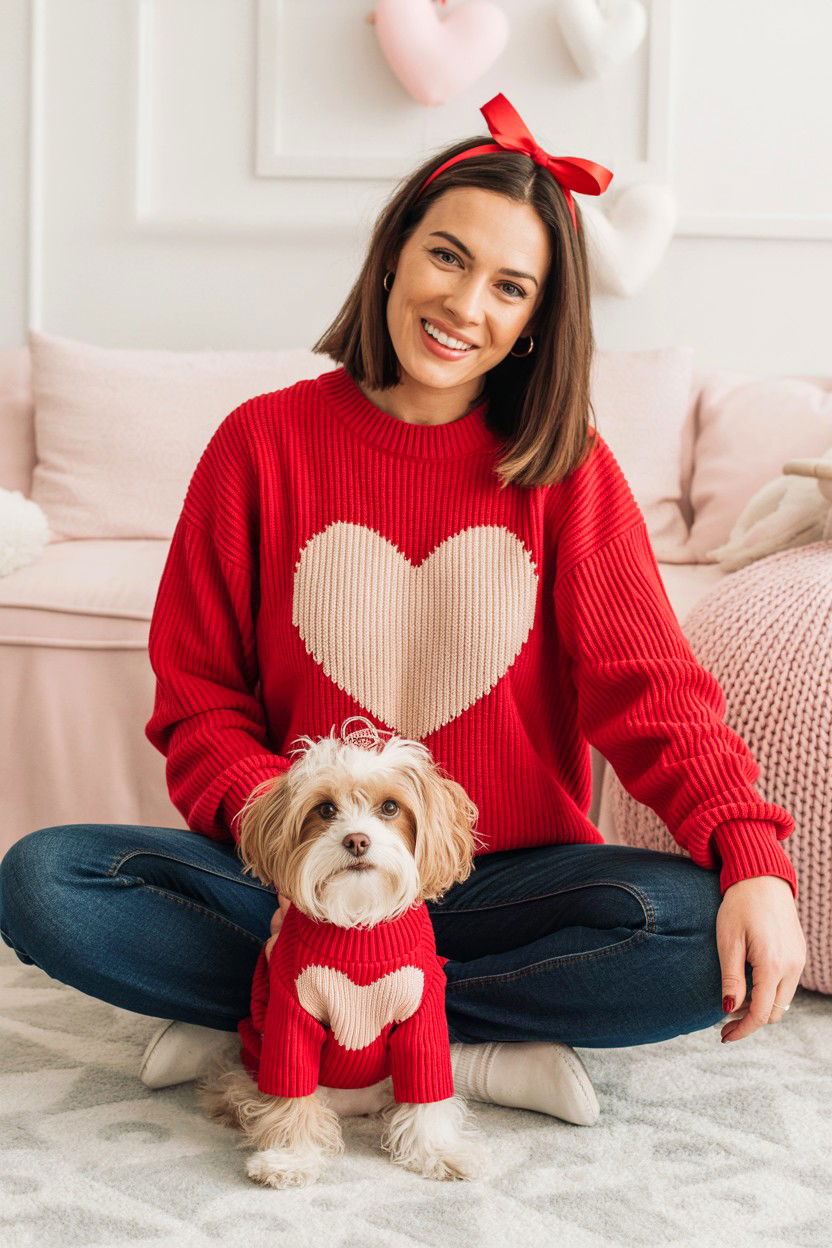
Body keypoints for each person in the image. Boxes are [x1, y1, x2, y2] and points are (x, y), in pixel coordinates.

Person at [0, 94, 806, 1125]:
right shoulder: (260, 444)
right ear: (394, 255)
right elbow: (199, 703)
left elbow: (652, 694)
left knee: (694, 931)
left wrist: (750, 855)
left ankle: (317, 1026)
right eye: (447, 257)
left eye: (509, 287)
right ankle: (412, 1029)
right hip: (299, 878)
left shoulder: (566, 471)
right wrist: (294, 834)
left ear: (535, 320)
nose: (465, 305)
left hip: (500, 886)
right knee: (46, 883)